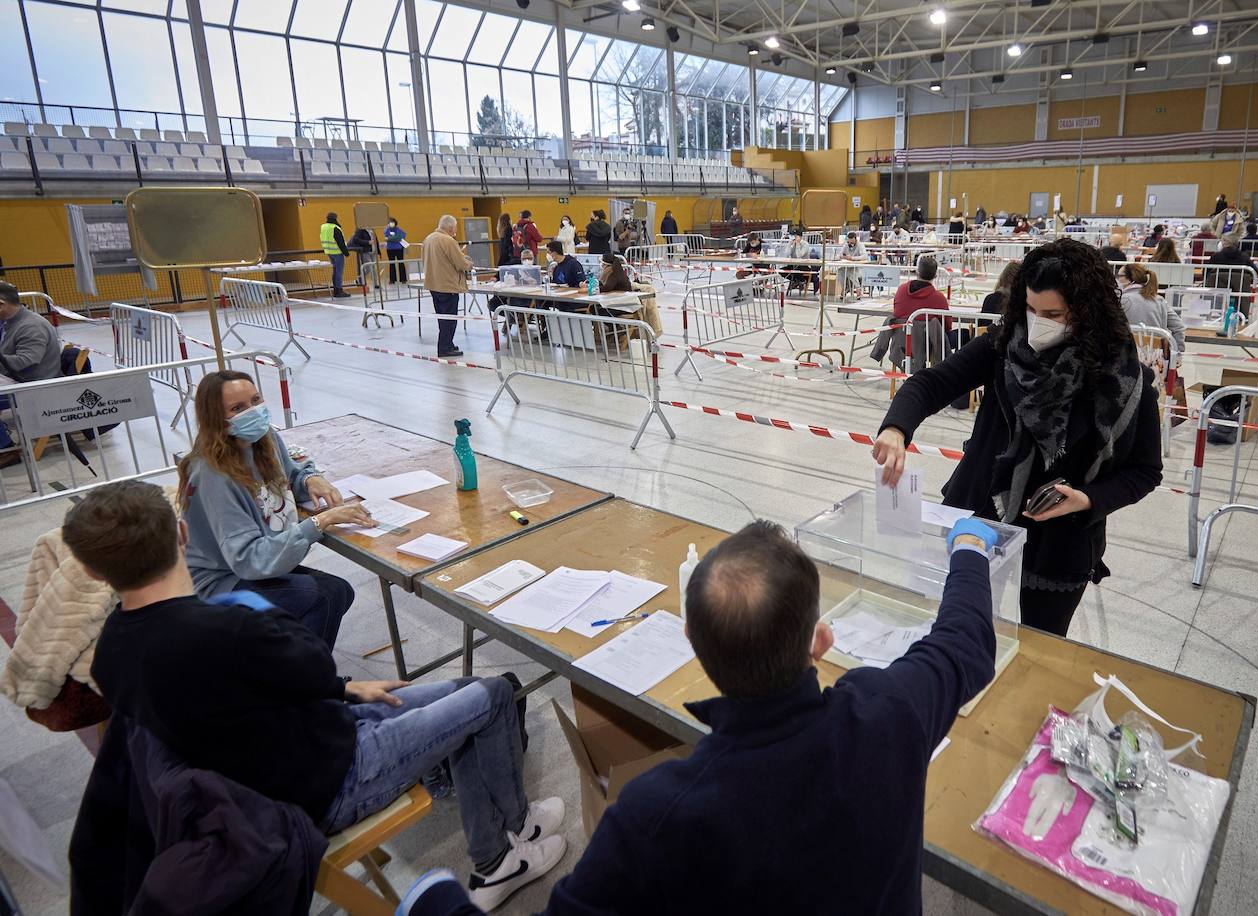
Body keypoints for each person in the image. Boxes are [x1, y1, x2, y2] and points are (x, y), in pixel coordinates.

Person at [67, 480, 567, 913]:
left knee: (462, 693)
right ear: (181, 533)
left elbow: (284, 688)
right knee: (495, 694)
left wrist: (344, 689)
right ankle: (500, 857)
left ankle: (508, 831)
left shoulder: (110, 650)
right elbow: (310, 661)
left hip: (289, 751)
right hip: (330, 778)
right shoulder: (227, 626)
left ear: (93, 571)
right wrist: (255, 617)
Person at [540, 516, 997, 915]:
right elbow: (965, 642)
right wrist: (969, 547)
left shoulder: (654, 813)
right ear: (821, 641)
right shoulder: (886, 715)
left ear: (694, 644)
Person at [873, 238, 1163, 637]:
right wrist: (895, 428)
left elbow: (1145, 470)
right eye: (1029, 308)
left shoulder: (1125, 382)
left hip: (1060, 547)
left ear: (1088, 311)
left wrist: (1088, 499)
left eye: (1054, 313)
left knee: (1037, 653)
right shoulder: (1002, 346)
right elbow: (931, 382)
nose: (1037, 322)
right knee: (963, 635)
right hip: (980, 519)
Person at [176, 370, 368, 647]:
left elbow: (287, 479)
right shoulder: (212, 476)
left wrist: (310, 478)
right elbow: (249, 559)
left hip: (249, 568)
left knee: (337, 592)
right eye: (238, 408)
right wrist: (319, 522)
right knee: (326, 595)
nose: (253, 412)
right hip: (219, 582)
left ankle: (293, 675)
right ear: (217, 419)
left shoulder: (264, 440)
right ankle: (305, 683)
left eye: (256, 400)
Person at [0, 281, 63, 455]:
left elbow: (27, 360)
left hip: (32, 383)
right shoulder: (10, 321)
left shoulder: (30, 326)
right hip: (15, 378)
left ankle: (5, 450)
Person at [423, 214, 473, 359]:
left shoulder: (428, 239)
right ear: (451, 227)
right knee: (449, 319)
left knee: (442, 318)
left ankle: (447, 343)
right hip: (448, 286)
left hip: (434, 284)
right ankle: (444, 348)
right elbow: (460, 263)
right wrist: (469, 264)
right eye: (455, 227)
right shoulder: (448, 240)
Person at [1119, 263, 1185, 353]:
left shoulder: (1120, 300)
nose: (1117, 279)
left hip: (1126, 356)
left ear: (1130, 279)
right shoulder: (1159, 300)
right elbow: (1179, 326)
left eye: (1120, 276)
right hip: (1156, 358)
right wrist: (1177, 353)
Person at [544, 240, 586, 311]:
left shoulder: (573, 264)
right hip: (560, 295)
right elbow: (555, 283)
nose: (547, 255)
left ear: (554, 253)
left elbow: (582, 282)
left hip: (573, 297)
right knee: (542, 301)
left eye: (548, 252)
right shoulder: (556, 266)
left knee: (560, 304)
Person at [320, 212, 349, 298]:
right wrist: (346, 253)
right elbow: (340, 242)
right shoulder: (335, 228)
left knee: (335, 271)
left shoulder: (323, 227)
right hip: (337, 252)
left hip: (329, 252)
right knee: (339, 272)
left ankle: (336, 290)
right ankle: (339, 290)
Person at [384, 218, 408, 284]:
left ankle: (403, 279)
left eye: (392, 222)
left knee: (401, 263)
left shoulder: (399, 229)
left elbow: (402, 236)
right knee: (391, 264)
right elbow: (386, 238)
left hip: (399, 248)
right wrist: (395, 238)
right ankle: (392, 280)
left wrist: (390, 238)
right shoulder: (386, 230)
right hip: (390, 249)